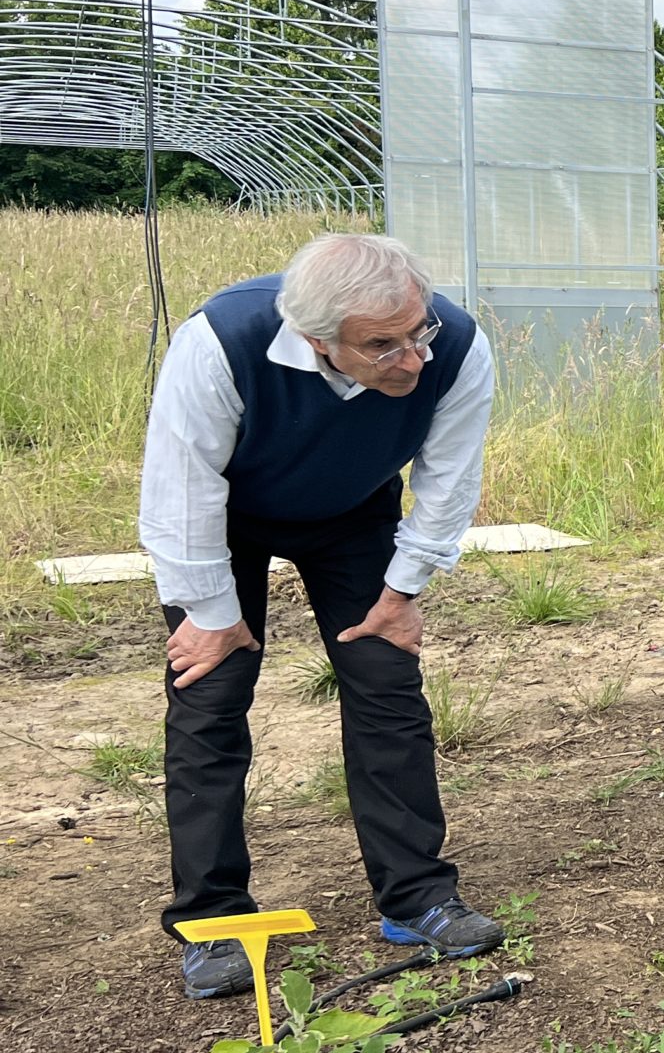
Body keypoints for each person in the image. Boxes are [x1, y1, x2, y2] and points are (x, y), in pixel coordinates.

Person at [141, 232, 503, 999]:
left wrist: (401, 592)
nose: (413, 360)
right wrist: (211, 611)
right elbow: (180, 491)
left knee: (386, 681)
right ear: (318, 339)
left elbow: (447, 481)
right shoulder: (219, 343)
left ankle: (417, 897)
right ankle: (212, 922)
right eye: (383, 346)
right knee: (210, 693)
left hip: (351, 512)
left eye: (418, 332)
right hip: (223, 520)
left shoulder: (459, 345)